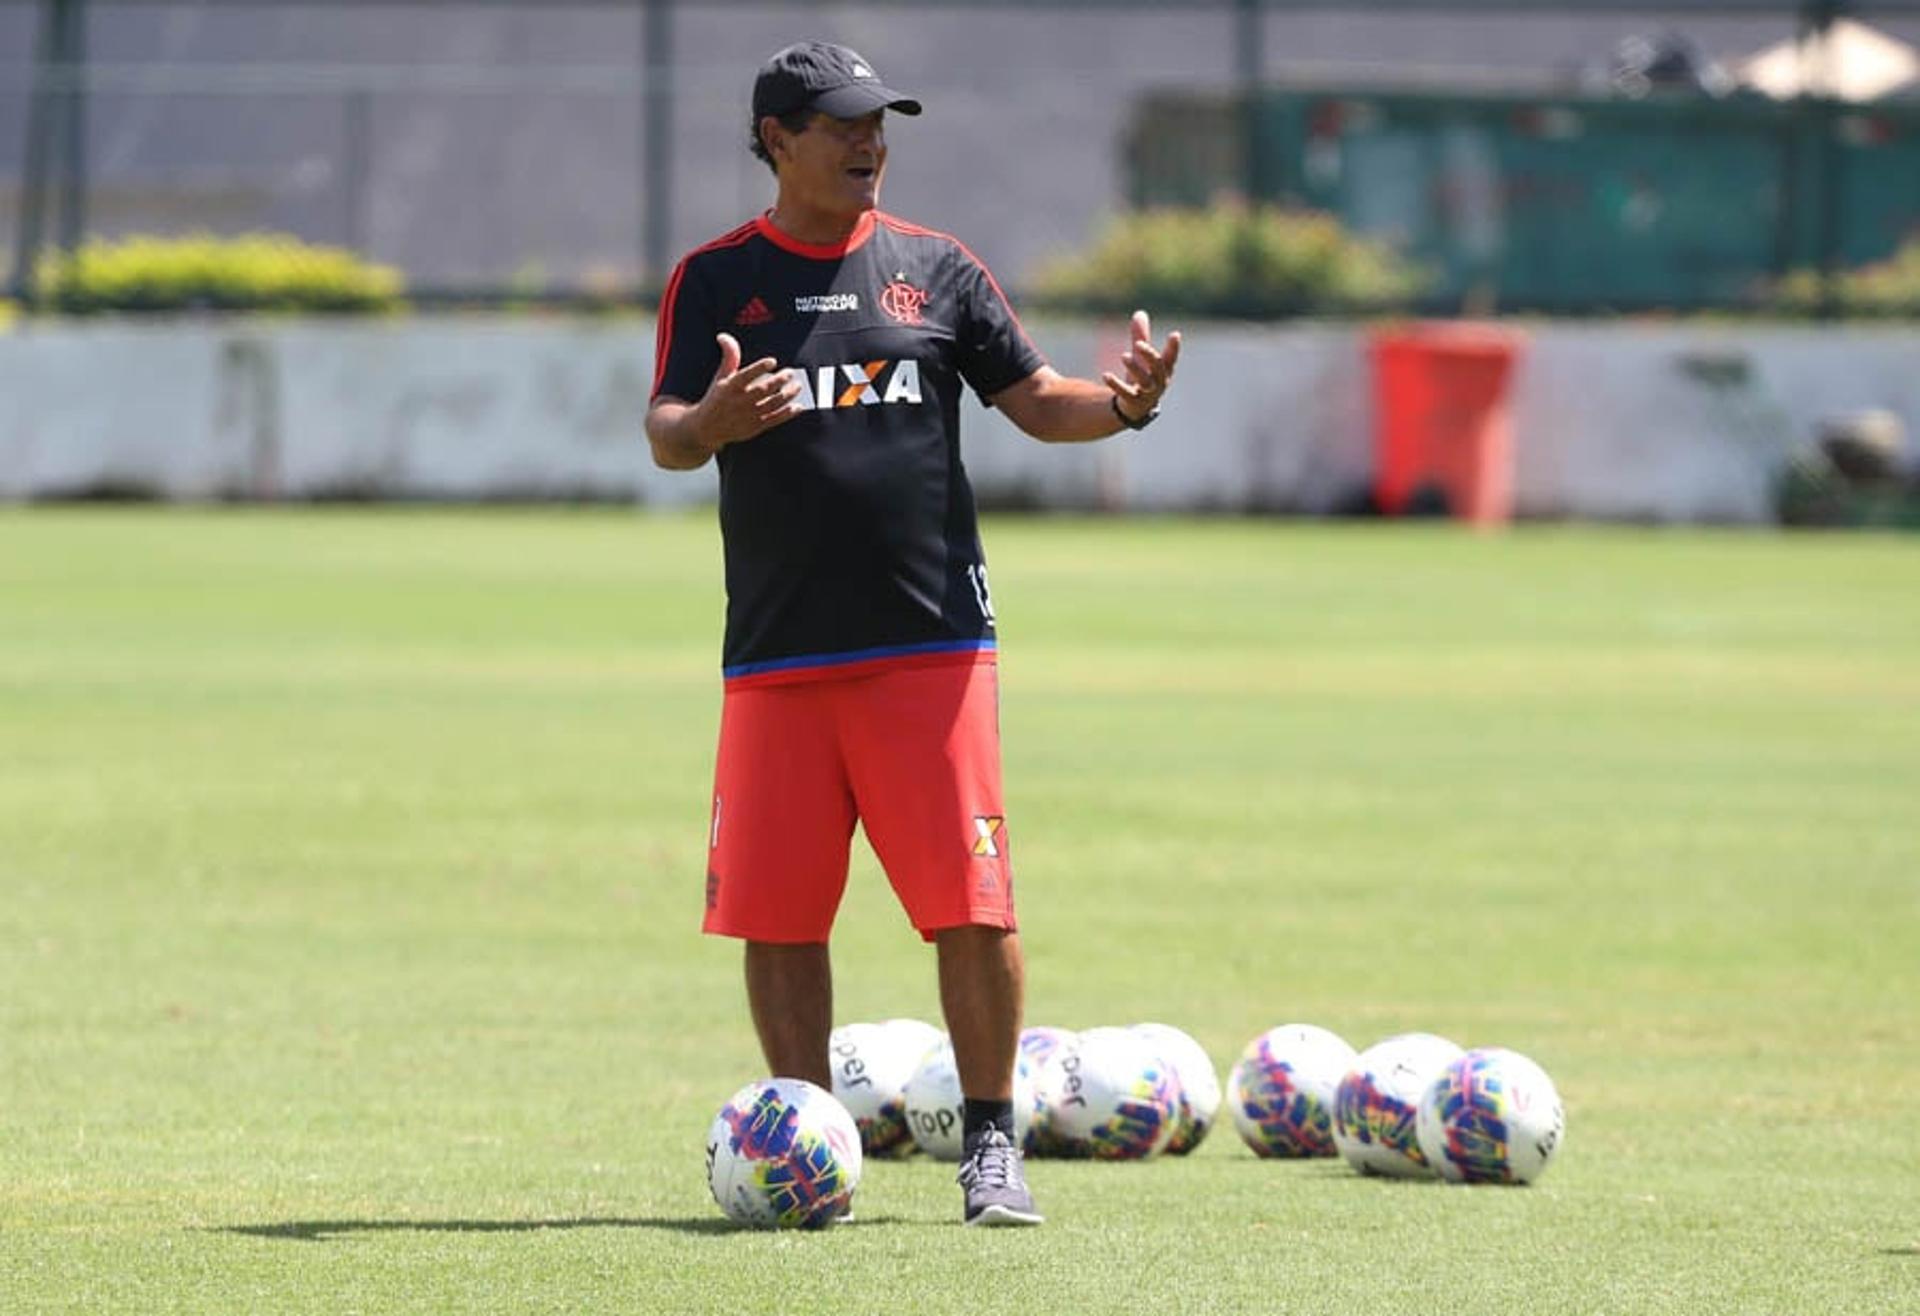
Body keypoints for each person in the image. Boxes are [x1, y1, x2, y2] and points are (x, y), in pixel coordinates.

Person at [645, 40, 1178, 1228]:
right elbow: (666, 429)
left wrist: (1126, 404)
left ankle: (992, 1145)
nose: (869, 141)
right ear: (777, 137)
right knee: (778, 914)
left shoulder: (935, 269)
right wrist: (715, 419)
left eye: (879, 121)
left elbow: (1040, 399)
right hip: (778, 654)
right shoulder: (716, 279)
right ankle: (799, 1138)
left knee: (972, 901)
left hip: (931, 647)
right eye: (841, 123)